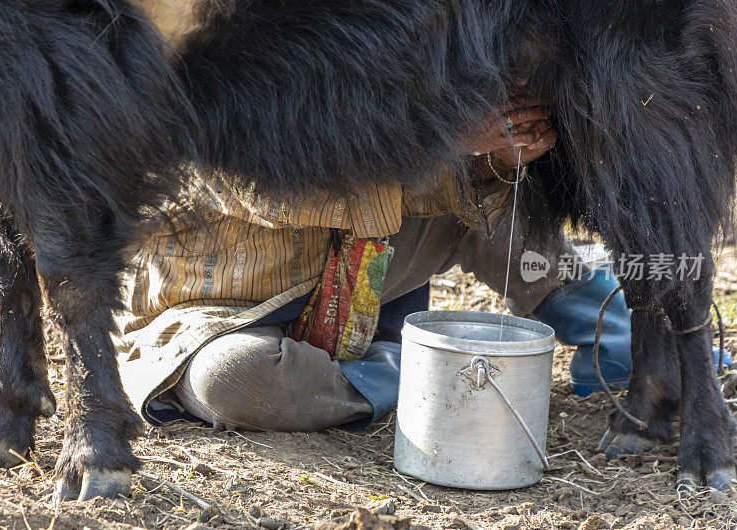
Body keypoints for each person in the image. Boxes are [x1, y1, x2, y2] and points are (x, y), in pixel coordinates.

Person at [111, 98, 688, 432]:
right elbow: (267, 192)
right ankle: (430, 372)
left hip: (354, 260)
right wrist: (451, 145)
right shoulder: (213, 48)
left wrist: (493, 159)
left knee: (490, 216)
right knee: (233, 380)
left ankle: (631, 348)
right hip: (216, 306)